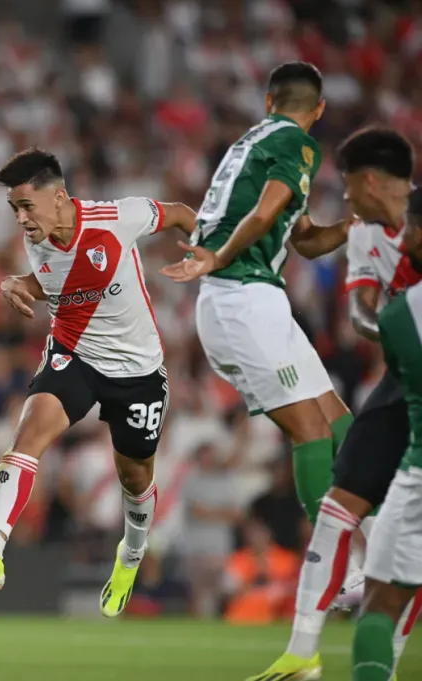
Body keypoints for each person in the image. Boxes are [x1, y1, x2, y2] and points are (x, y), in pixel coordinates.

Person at [0, 148, 198, 618]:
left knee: (134, 475)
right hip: (74, 355)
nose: (21, 219)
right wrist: (20, 284)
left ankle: (131, 552)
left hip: (137, 370)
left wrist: (211, 255)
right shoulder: (38, 237)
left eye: (27, 206)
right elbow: (59, 280)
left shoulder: (118, 217)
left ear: (60, 197)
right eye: (14, 210)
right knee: (26, 440)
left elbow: (181, 215)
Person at [162, 61, 365, 536]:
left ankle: (384, 544)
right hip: (240, 298)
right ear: (319, 109)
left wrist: (355, 225)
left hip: (256, 297)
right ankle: (327, 559)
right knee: (312, 428)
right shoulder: (296, 144)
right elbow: (266, 209)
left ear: (269, 101)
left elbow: (306, 238)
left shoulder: (251, 145)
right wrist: (218, 256)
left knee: (341, 425)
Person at [248, 130, 419, 681]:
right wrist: (395, 332)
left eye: (347, 187)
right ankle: (303, 651)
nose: (345, 201)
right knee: (337, 504)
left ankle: (380, 663)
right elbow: (363, 311)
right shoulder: (367, 234)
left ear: (369, 181)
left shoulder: (415, 222)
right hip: (404, 376)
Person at [351, 207, 422, 681]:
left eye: (412, 228)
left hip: (417, 472)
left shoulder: (400, 313)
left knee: (378, 597)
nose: (405, 238)